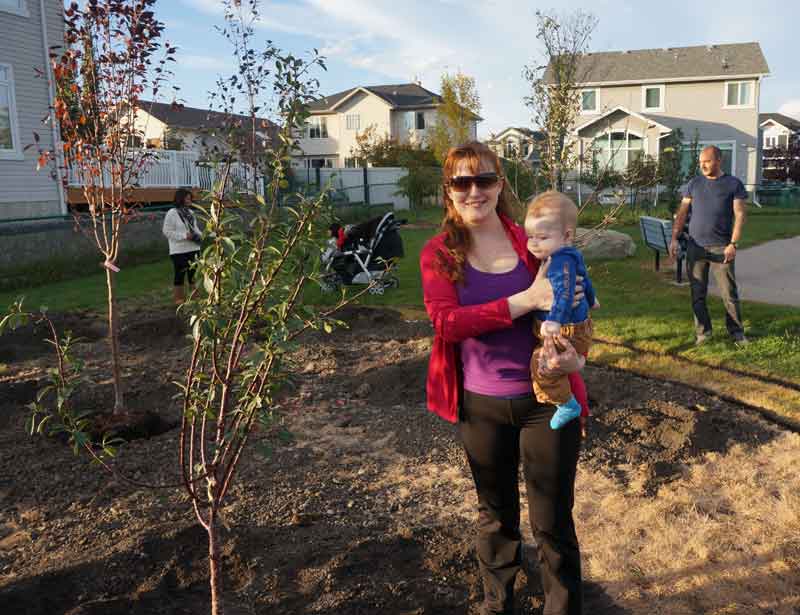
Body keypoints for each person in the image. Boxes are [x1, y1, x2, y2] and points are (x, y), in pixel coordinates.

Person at [420, 142, 588, 615]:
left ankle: (563, 608)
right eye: (462, 182)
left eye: (485, 180)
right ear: (448, 191)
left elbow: (568, 300)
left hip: (547, 403)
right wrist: (525, 300)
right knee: (495, 518)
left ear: (500, 184)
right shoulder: (439, 253)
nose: (475, 191)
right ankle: (499, 605)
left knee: (552, 518)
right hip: (481, 405)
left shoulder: (529, 240)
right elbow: (446, 323)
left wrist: (574, 325)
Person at [525, 192, 597, 430]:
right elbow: (584, 279)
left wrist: (554, 320)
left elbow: (565, 293)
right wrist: (591, 298)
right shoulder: (570, 255)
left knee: (542, 366)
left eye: (542, 237)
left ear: (566, 236)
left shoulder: (558, 262)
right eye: (530, 236)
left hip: (564, 329)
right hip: (577, 326)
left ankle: (566, 404)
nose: (533, 243)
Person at [669, 145, 748, 345]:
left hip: (722, 247)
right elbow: (682, 212)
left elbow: (740, 215)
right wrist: (674, 238)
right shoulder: (694, 184)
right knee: (697, 294)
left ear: (718, 160)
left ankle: (737, 332)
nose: (703, 165)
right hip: (696, 248)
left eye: (707, 161)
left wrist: (733, 243)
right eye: (700, 162)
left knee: (729, 294)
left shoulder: (733, 184)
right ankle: (703, 333)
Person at [162, 187, 202, 305]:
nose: (190, 200)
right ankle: (179, 300)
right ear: (181, 199)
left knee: (194, 275)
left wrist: (202, 235)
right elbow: (166, 231)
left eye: (190, 198)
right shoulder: (172, 213)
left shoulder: (191, 213)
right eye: (187, 198)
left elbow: (195, 229)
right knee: (180, 274)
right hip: (178, 251)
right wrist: (184, 236)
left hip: (194, 247)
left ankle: (196, 299)